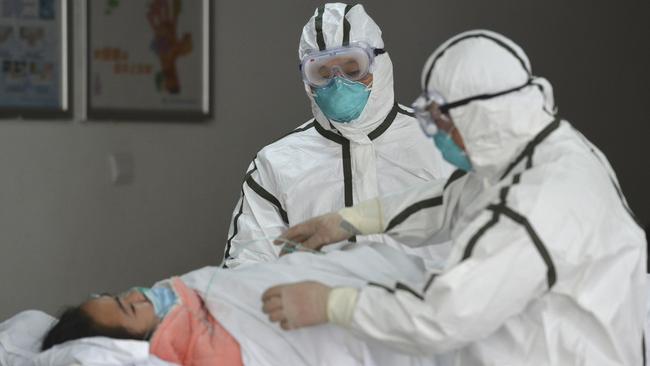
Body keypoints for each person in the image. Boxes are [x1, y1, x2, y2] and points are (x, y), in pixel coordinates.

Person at [261, 30, 647, 365]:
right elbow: (458, 198)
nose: (433, 132)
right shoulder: (544, 145)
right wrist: (350, 221)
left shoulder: (534, 204)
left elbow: (442, 317)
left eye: (439, 120)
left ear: (480, 116)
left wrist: (330, 304)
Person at [221, 3, 453, 269]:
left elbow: (492, 244)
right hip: (315, 311)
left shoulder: (442, 142)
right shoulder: (276, 165)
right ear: (307, 81)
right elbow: (247, 269)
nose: (338, 81)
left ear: (380, 64)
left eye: (353, 68)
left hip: (430, 309)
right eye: (321, 73)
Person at [38, 243, 448, 366]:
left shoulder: (188, 295)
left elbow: (241, 282)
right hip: (414, 320)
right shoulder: (200, 346)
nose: (134, 294)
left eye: (117, 294)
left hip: (396, 272)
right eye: (128, 308)